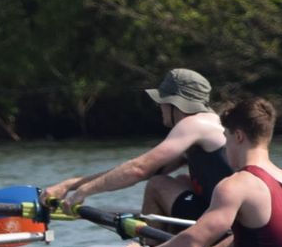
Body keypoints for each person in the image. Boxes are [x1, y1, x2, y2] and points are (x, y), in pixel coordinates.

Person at [119, 96, 282, 247]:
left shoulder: (236, 185)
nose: (225, 148)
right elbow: (241, 243)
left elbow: (191, 242)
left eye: (225, 137)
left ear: (239, 136)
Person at [46, 69, 230, 220]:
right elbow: (138, 171)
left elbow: (138, 169)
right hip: (225, 217)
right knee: (180, 181)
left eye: (162, 102)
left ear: (176, 104)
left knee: (157, 185)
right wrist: (71, 185)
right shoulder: (209, 124)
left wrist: (83, 192)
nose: (160, 107)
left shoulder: (193, 124)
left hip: (225, 221)